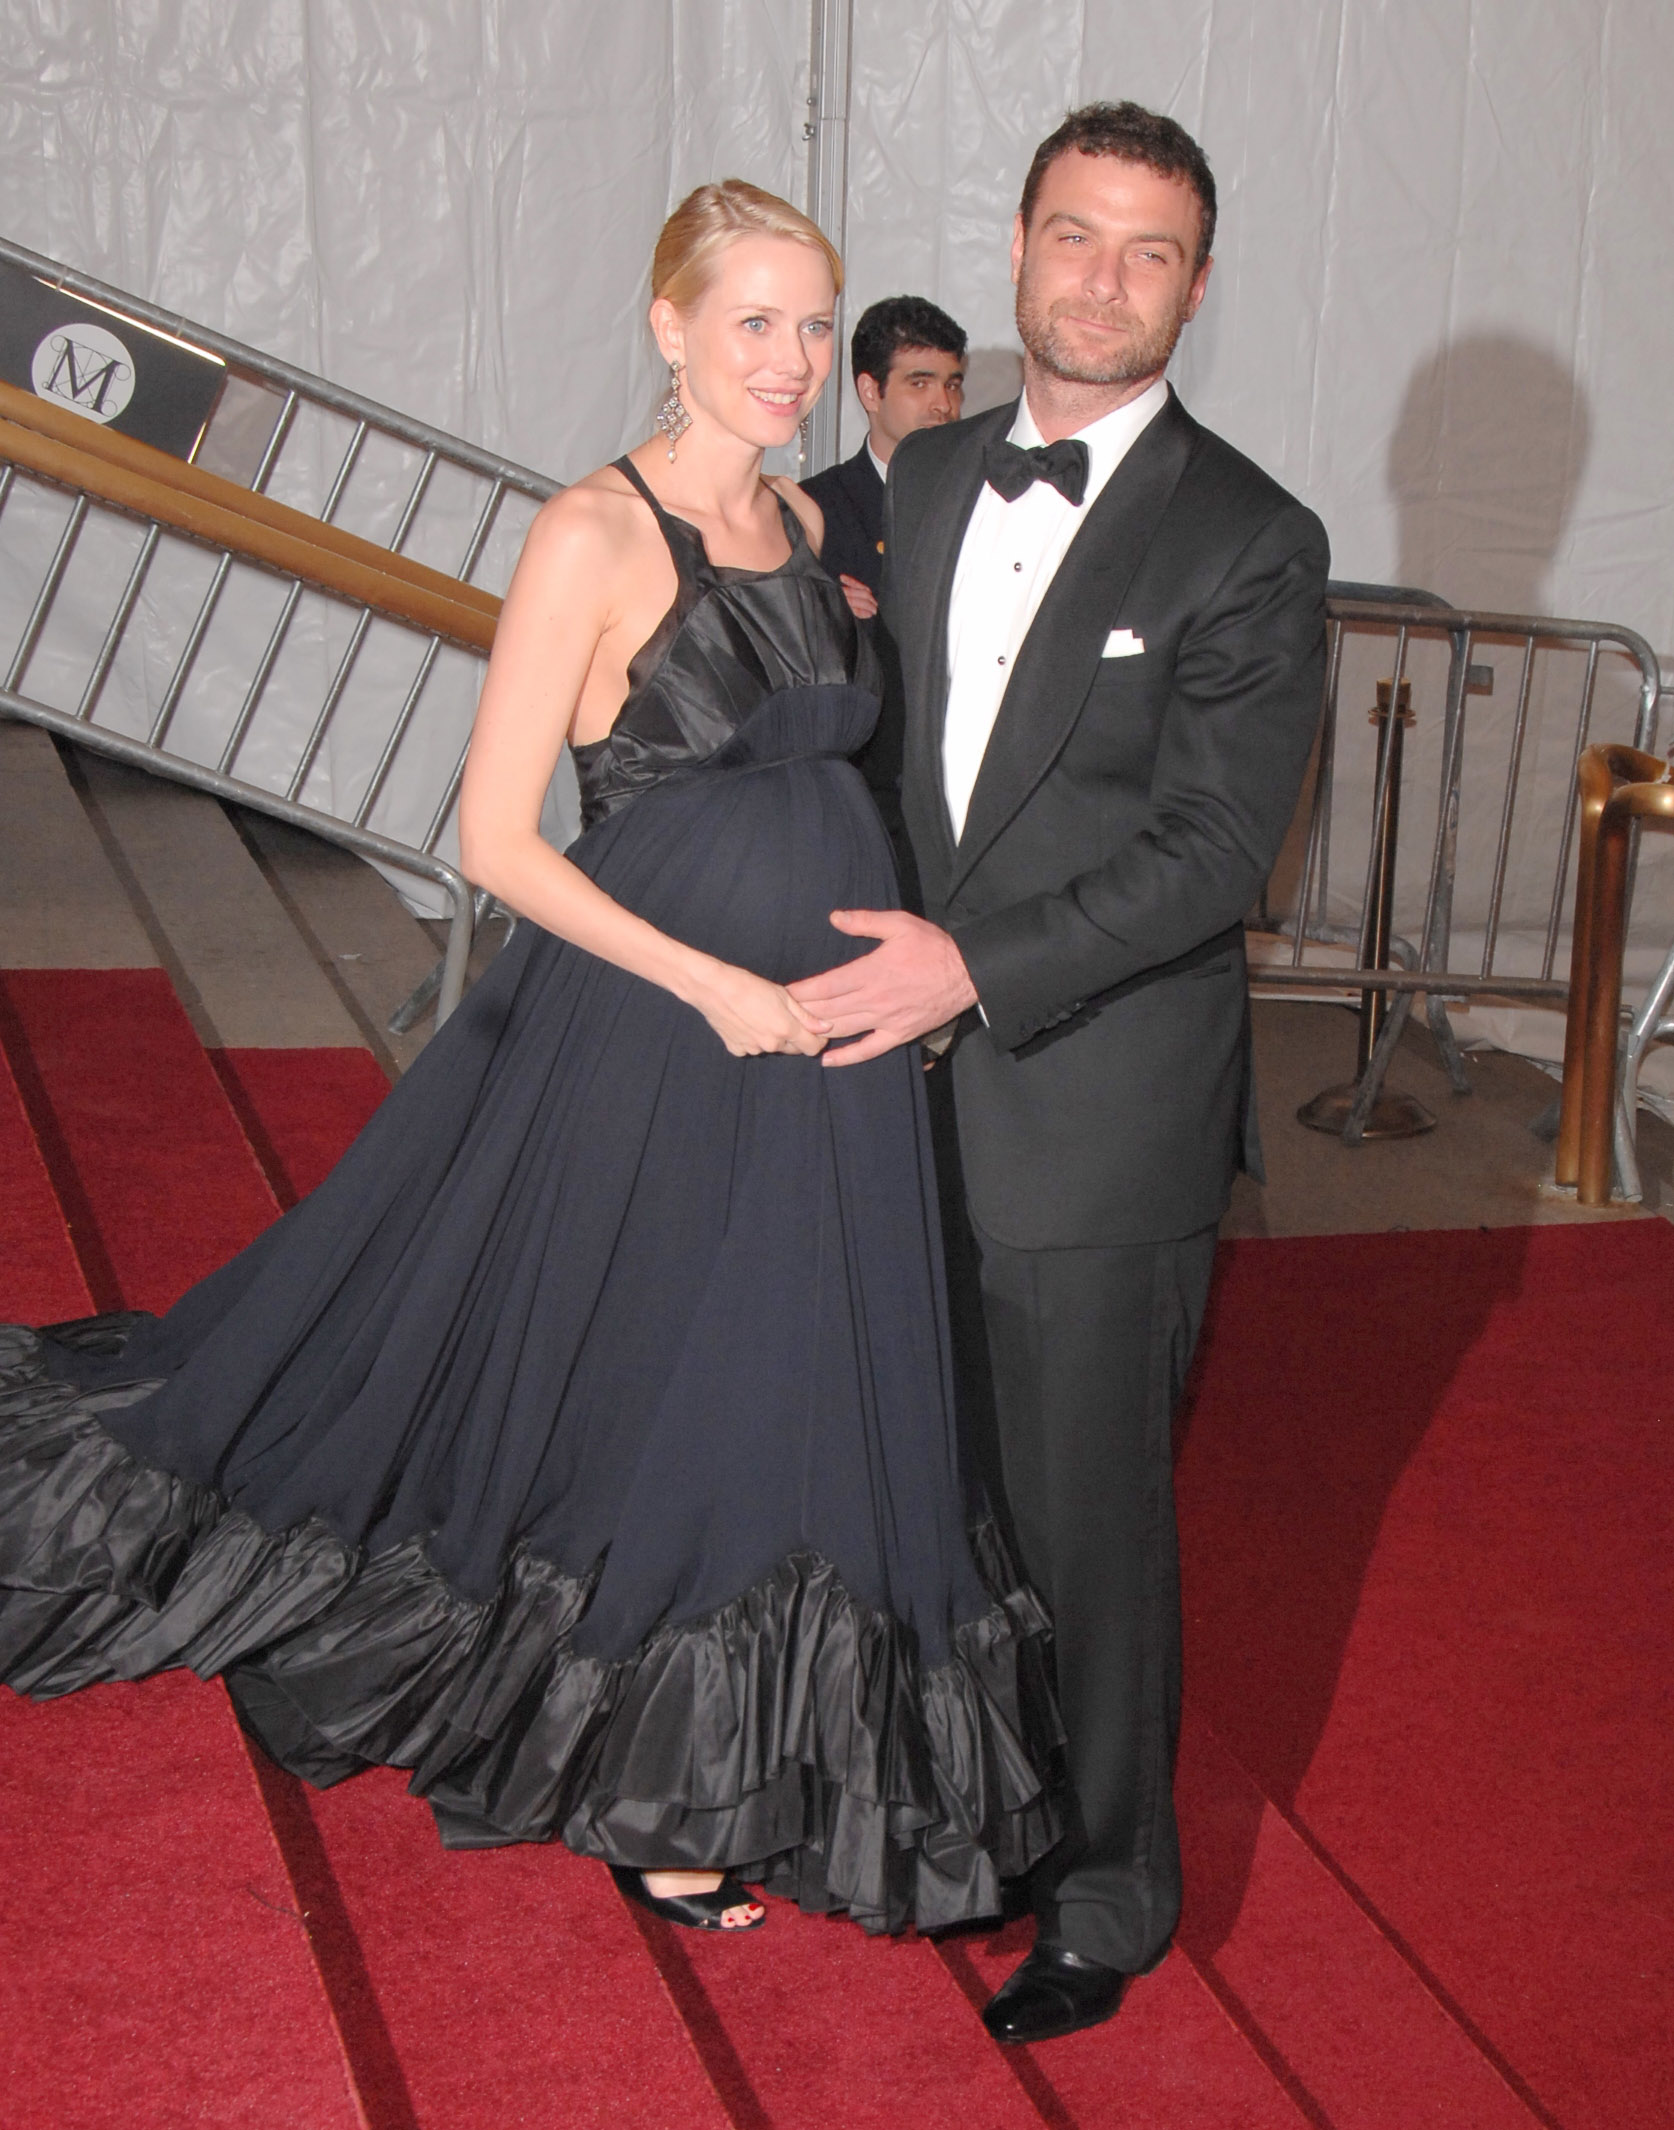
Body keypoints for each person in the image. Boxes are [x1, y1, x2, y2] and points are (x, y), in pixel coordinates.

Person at [0, 181, 1060, 1940]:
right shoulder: (589, 533)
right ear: (668, 327)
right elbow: (494, 836)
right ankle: (660, 1776)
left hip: (831, 1033)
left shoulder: (803, 522)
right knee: (657, 1345)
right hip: (666, 1017)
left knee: (784, 1358)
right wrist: (711, 983)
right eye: (754, 323)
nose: (790, 360)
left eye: (814, 324)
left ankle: (739, 1746)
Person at [790, 104, 1329, 2036]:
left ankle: (1107, 1889)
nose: (1100, 279)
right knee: (936, 1493)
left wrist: (965, 971)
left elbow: (1207, 855)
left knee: (1091, 1530)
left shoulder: (1251, 540)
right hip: (891, 1088)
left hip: (1091, 1110)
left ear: (1194, 283)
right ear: (1014, 249)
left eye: (1147, 251)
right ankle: (970, 1822)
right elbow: (877, 754)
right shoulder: (918, 476)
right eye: (1073, 237)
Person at [802, 295, 966, 620]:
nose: (943, 404)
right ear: (870, 392)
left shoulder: (983, 498)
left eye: (952, 385)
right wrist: (822, 614)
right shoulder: (813, 509)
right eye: (920, 384)